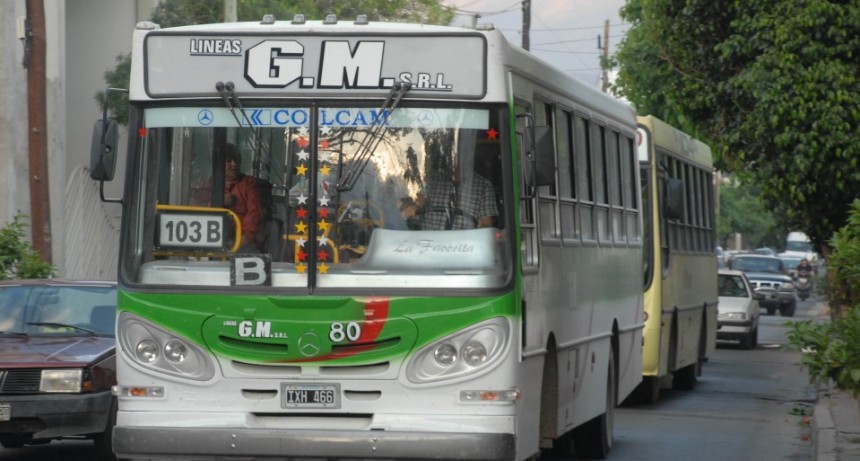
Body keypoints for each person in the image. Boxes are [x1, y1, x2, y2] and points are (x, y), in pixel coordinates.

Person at [192, 143, 266, 252]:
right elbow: (194, 210)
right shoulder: (208, 186)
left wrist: (243, 239)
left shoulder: (249, 184)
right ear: (218, 164)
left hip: (242, 243)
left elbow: (254, 214)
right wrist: (217, 202)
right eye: (229, 161)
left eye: (237, 160)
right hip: (209, 241)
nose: (234, 164)